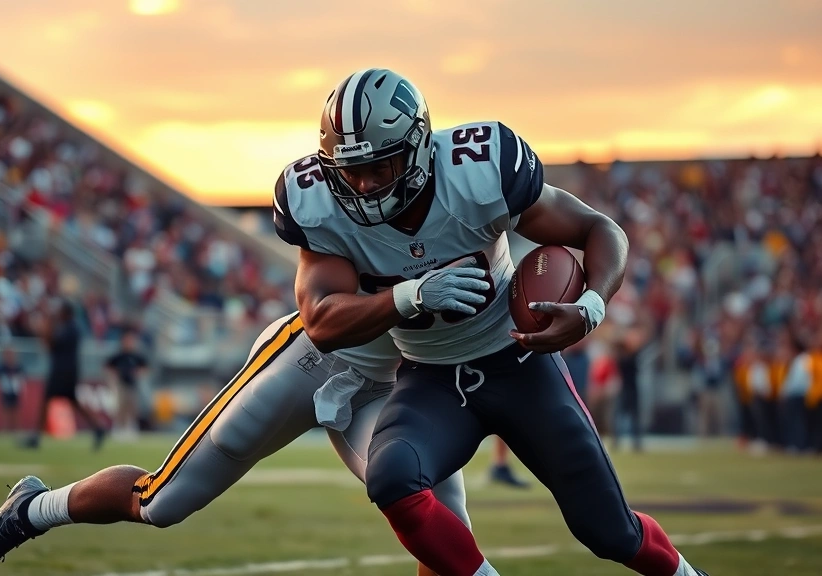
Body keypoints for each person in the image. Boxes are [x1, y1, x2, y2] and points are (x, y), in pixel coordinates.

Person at [275, 68, 709, 576]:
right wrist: (410, 296)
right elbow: (321, 322)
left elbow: (599, 229)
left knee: (608, 530)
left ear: (416, 146)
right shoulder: (320, 207)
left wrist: (591, 306)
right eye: (352, 171)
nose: (366, 185)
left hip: (518, 362)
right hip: (430, 374)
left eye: (381, 165)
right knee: (392, 477)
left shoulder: (477, 169)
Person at [0, 316, 471, 576]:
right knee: (162, 502)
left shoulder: (472, 205)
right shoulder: (339, 198)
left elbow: (550, 223)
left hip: (394, 385)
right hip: (310, 359)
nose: (370, 181)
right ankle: (26, 513)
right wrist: (409, 296)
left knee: (440, 520)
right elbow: (322, 307)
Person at [22, 301, 106, 450]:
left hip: (63, 371)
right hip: (66, 370)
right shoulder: (70, 328)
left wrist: (47, 325)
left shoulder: (70, 329)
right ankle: (98, 428)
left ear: (66, 313)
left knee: (47, 400)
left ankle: (36, 437)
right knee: (72, 402)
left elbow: (51, 343)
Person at [104, 329, 150, 436]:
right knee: (121, 407)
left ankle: (131, 428)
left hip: (133, 385)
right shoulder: (120, 355)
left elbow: (145, 368)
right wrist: (113, 377)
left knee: (132, 407)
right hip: (121, 384)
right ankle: (119, 428)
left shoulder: (136, 356)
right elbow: (108, 366)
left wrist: (138, 373)